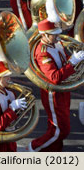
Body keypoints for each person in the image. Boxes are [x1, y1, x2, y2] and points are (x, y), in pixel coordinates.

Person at [28, 18, 84, 151]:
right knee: (62, 130)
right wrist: (73, 63)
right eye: (54, 33)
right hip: (53, 94)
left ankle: (53, 151)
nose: (57, 35)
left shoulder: (56, 43)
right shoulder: (43, 53)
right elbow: (54, 78)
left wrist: (74, 59)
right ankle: (34, 148)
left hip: (62, 91)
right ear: (44, 35)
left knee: (57, 127)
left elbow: (63, 64)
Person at [0, 60, 27, 151]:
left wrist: (20, 109)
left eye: (9, 76)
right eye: (5, 77)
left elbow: (14, 117)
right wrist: (12, 108)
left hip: (10, 136)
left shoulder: (10, 92)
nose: (9, 79)